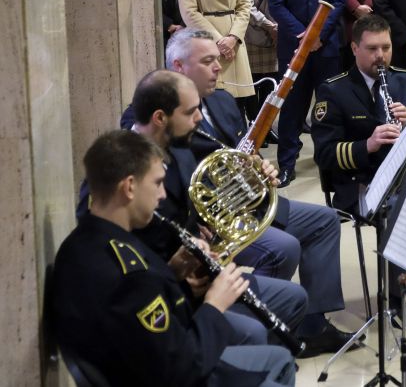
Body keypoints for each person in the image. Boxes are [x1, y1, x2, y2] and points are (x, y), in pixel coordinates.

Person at [164, 28, 356, 354]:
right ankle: (269, 334)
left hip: (251, 204)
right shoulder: (164, 115)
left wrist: (259, 168)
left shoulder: (223, 101)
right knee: (283, 248)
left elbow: (244, 154)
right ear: (179, 68)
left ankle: (313, 325)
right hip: (219, 221)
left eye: (217, 59)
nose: (218, 67)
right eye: (207, 61)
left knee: (324, 221)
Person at [54, 130, 296, 387]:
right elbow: (181, 369)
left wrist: (176, 277)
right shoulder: (129, 273)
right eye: (157, 183)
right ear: (129, 187)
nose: (161, 195)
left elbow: (138, 321)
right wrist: (215, 304)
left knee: (278, 358)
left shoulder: (84, 242)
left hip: (150, 363)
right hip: (174, 373)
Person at [110, 70, 308, 347]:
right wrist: (175, 278)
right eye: (191, 112)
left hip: (201, 273)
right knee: (254, 331)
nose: (199, 118)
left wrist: (257, 174)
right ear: (159, 118)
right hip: (167, 298)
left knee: (295, 297)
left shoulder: (180, 145)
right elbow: (120, 266)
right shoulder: (118, 175)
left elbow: (230, 160)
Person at [311, 14, 406, 331]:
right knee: (398, 210)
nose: (381, 56)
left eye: (386, 48)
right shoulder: (333, 91)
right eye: (372, 49)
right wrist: (368, 145)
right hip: (358, 183)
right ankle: (396, 297)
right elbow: (324, 154)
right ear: (354, 48)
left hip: (401, 178)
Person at [267, 0, 348, 186]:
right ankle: (287, 164)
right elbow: (276, 4)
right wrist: (303, 35)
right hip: (293, 48)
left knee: (328, 106)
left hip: (325, 46)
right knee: (291, 108)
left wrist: (318, 35)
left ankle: (330, 160)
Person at [238, 0, 279, 124]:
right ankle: (255, 124)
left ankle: (267, 127)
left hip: (275, 36)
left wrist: (278, 26)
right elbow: (247, 5)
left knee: (271, 84)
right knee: (253, 84)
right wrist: (267, 24)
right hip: (254, 35)